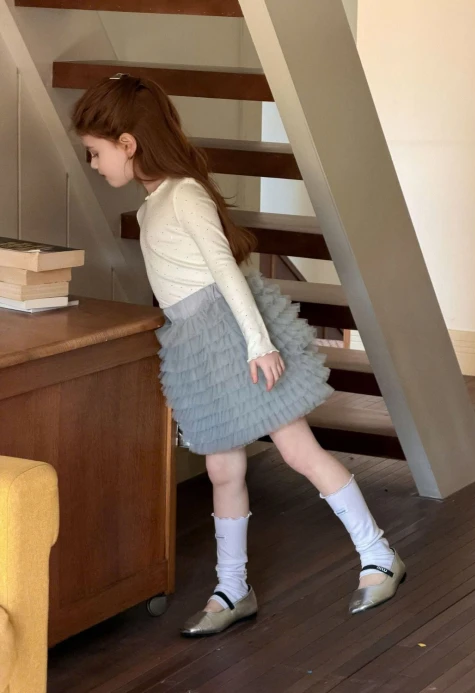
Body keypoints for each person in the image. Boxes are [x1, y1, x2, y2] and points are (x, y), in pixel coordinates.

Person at [71, 73, 406, 637]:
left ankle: (379, 555)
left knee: (297, 449)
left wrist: (259, 343)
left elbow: (226, 273)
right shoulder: (153, 205)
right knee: (222, 467)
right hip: (197, 347)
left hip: (236, 338)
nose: (93, 163)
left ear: (127, 143)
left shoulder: (184, 194)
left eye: (95, 152)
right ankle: (232, 588)